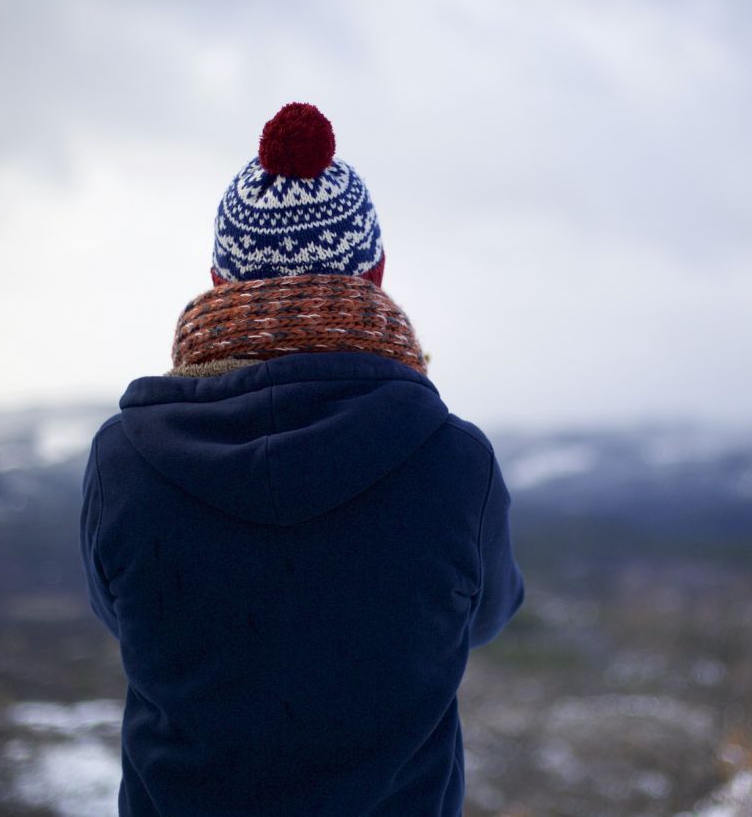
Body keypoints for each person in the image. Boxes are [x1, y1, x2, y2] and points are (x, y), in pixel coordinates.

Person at [79, 102, 525, 816]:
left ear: (218, 279)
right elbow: (485, 616)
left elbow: (124, 616)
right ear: (376, 273)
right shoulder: (455, 461)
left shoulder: (123, 462)